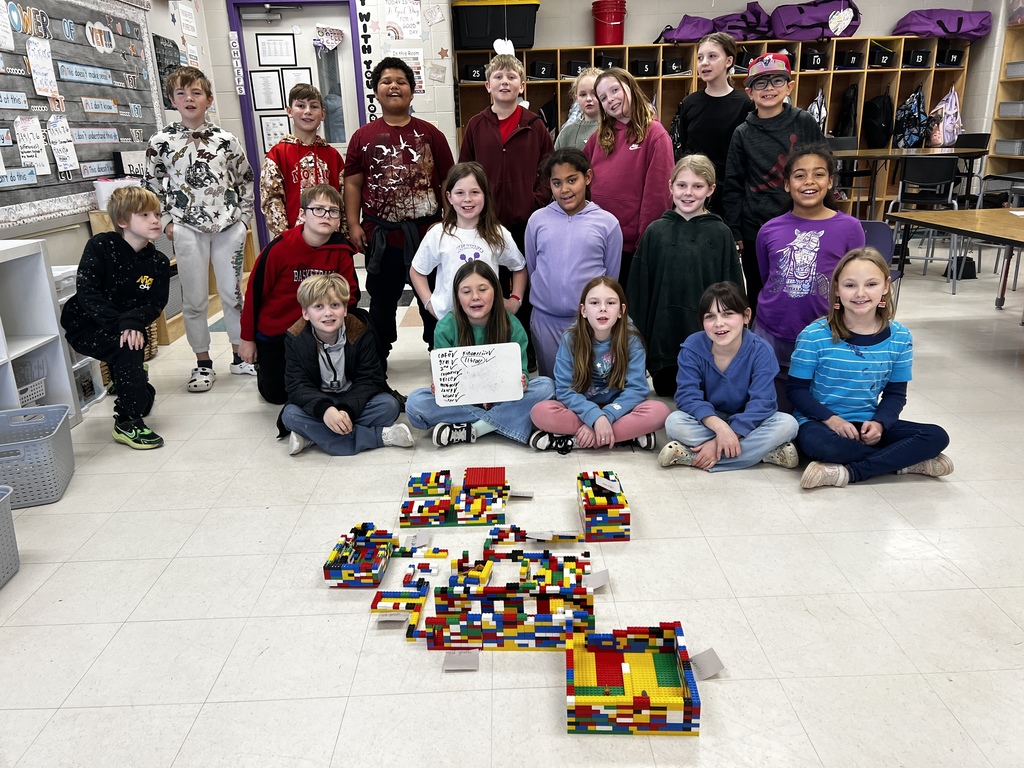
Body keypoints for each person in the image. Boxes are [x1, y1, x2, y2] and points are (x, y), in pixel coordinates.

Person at [787, 248, 954, 489]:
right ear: (837, 289)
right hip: (820, 423)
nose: (860, 293)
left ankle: (851, 472)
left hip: (868, 422)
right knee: (824, 446)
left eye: (871, 284)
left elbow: (896, 394)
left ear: (886, 286)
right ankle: (905, 461)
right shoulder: (813, 335)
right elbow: (796, 390)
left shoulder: (900, 337)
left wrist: (880, 424)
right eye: (850, 285)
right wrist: (832, 420)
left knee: (936, 436)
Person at [146, 66, 255, 392]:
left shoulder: (226, 140)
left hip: (227, 227)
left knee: (232, 294)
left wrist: (243, 220)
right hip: (186, 229)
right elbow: (151, 186)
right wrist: (167, 223)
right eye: (181, 93)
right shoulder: (161, 142)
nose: (189, 99)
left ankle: (239, 357)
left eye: (196, 92)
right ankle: (203, 362)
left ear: (209, 99)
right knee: (194, 299)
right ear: (172, 100)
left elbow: (246, 179)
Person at [344, 57, 454, 362]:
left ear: (412, 91)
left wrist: (449, 222)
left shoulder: (430, 134)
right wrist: (353, 224)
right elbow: (352, 183)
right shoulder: (362, 136)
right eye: (386, 82)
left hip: (427, 233)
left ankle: (441, 354)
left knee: (433, 297)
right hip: (381, 235)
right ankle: (378, 357)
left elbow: (448, 180)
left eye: (401, 82)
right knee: (381, 301)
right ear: (376, 92)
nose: (394, 86)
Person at [459, 51, 554, 370]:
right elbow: (465, 170)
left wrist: (535, 199)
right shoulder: (476, 125)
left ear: (522, 85)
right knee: (488, 283)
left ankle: (525, 349)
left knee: (524, 287)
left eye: (512, 77)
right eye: (498, 77)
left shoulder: (535, 125)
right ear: (487, 85)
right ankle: (492, 347)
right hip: (486, 223)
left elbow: (548, 170)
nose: (505, 81)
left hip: (526, 222)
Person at [754, 144, 865, 409]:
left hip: (826, 333)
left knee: (816, 411)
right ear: (787, 184)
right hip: (772, 331)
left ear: (830, 182)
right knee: (772, 408)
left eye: (818, 174)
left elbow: (856, 283)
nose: (809, 181)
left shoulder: (850, 228)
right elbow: (767, 278)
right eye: (800, 175)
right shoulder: (769, 230)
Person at [60, 187, 170, 449]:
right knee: (128, 347)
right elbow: (88, 293)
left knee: (142, 394)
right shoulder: (101, 246)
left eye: (157, 214)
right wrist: (123, 324)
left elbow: (155, 304)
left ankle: (129, 381)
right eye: (144, 215)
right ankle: (127, 422)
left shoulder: (158, 262)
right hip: (86, 324)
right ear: (122, 221)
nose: (155, 220)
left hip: (125, 327)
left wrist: (132, 322)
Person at [627, 154, 744, 397]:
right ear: (671, 186)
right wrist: (638, 346)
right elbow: (638, 295)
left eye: (697, 186)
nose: (688, 193)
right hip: (663, 350)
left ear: (711, 189)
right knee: (667, 396)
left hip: (709, 349)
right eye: (682, 185)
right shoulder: (655, 232)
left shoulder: (721, 234)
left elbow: (733, 293)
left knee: (706, 398)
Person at [405, 261, 555, 447]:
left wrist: (522, 381)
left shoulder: (512, 325)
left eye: (483, 289)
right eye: (466, 292)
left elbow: (521, 372)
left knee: (547, 387)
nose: (475, 297)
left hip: (503, 399)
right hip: (462, 401)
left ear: (496, 291)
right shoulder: (445, 327)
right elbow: (443, 375)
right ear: (457, 296)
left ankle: (473, 429)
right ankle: (505, 421)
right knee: (415, 403)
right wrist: (440, 387)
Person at [722, 53, 825, 319]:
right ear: (749, 92)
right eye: (760, 83)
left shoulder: (804, 121)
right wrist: (735, 230)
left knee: (801, 288)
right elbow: (733, 183)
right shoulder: (742, 133)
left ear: (789, 86)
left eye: (777, 81)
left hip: (802, 223)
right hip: (756, 228)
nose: (769, 88)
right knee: (761, 291)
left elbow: (824, 168)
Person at [239, 185, 360, 405]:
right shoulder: (278, 249)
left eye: (333, 211)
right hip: (277, 332)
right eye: (318, 209)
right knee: (277, 396)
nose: (326, 216)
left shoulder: (341, 251)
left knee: (361, 321)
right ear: (302, 214)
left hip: (319, 331)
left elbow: (350, 298)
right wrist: (247, 339)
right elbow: (254, 296)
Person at [659, 282, 799, 472]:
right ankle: (762, 453)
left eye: (728, 314)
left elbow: (762, 403)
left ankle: (695, 456)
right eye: (710, 316)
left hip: (748, 422)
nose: (719, 323)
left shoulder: (761, 350)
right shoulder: (692, 346)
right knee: (674, 422)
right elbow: (687, 396)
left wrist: (731, 434)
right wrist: (721, 429)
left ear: (746, 316)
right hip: (709, 420)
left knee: (787, 424)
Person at [529, 277, 669, 454]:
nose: (603, 308)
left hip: (619, 409)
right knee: (540, 412)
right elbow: (565, 390)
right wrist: (594, 416)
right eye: (594, 303)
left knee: (660, 411)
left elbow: (637, 390)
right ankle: (624, 436)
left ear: (621, 311)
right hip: (581, 409)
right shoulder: (570, 339)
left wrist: (606, 416)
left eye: (611, 303)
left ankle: (577, 440)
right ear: (584, 310)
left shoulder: (631, 340)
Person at [280, 273, 413, 456]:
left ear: (344, 309)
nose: (328, 313)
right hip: (319, 400)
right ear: (305, 313)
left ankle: (312, 436)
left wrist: (346, 410)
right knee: (290, 415)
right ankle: (380, 437)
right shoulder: (295, 337)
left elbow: (370, 379)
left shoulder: (360, 330)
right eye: (318, 306)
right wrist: (325, 410)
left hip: (353, 399)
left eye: (335, 305)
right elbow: (297, 385)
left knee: (389, 406)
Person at [525, 148, 622, 378]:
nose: (564, 189)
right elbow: (533, 267)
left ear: (587, 177)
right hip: (545, 322)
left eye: (572, 180)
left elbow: (611, 277)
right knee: (551, 385)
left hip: (588, 323)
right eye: (557, 183)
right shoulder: (537, 221)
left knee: (589, 384)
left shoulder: (607, 224)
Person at [584, 67, 674, 289]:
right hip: (598, 240)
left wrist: (645, 242)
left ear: (631, 88)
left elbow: (658, 196)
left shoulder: (655, 134)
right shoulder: (598, 137)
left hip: (632, 246)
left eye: (615, 90)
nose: (610, 99)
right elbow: (581, 179)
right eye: (603, 97)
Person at [410, 162, 526, 323]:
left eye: (475, 192)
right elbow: (417, 271)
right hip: (450, 321)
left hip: (489, 322)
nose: (467, 199)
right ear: (449, 197)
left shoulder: (498, 233)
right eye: (460, 193)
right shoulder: (438, 234)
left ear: (485, 195)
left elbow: (519, 267)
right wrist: (429, 304)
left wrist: (515, 300)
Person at [672, 32, 753, 217]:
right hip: (694, 193)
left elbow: (745, 155)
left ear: (729, 61)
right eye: (700, 58)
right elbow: (682, 150)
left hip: (729, 193)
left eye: (712, 56)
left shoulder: (744, 104)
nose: (704, 63)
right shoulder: (689, 103)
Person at [260, 83, 346, 239]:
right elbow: (272, 199)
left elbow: (343, 198)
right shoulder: (278, 154)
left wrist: (343, 234)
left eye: (314, 106)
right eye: (301, 106)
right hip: (293, 239)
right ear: (289, 111)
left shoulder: (333, 156)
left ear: (323, 114)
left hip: (330, 238)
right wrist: (285, 236)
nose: (307, 111)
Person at [554, 67, 603, 151]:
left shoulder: (614, 129)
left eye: (594, 93)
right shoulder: (567, 133)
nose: (588, 99)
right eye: (583, 95)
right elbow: (556, 158)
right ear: (576, 98)